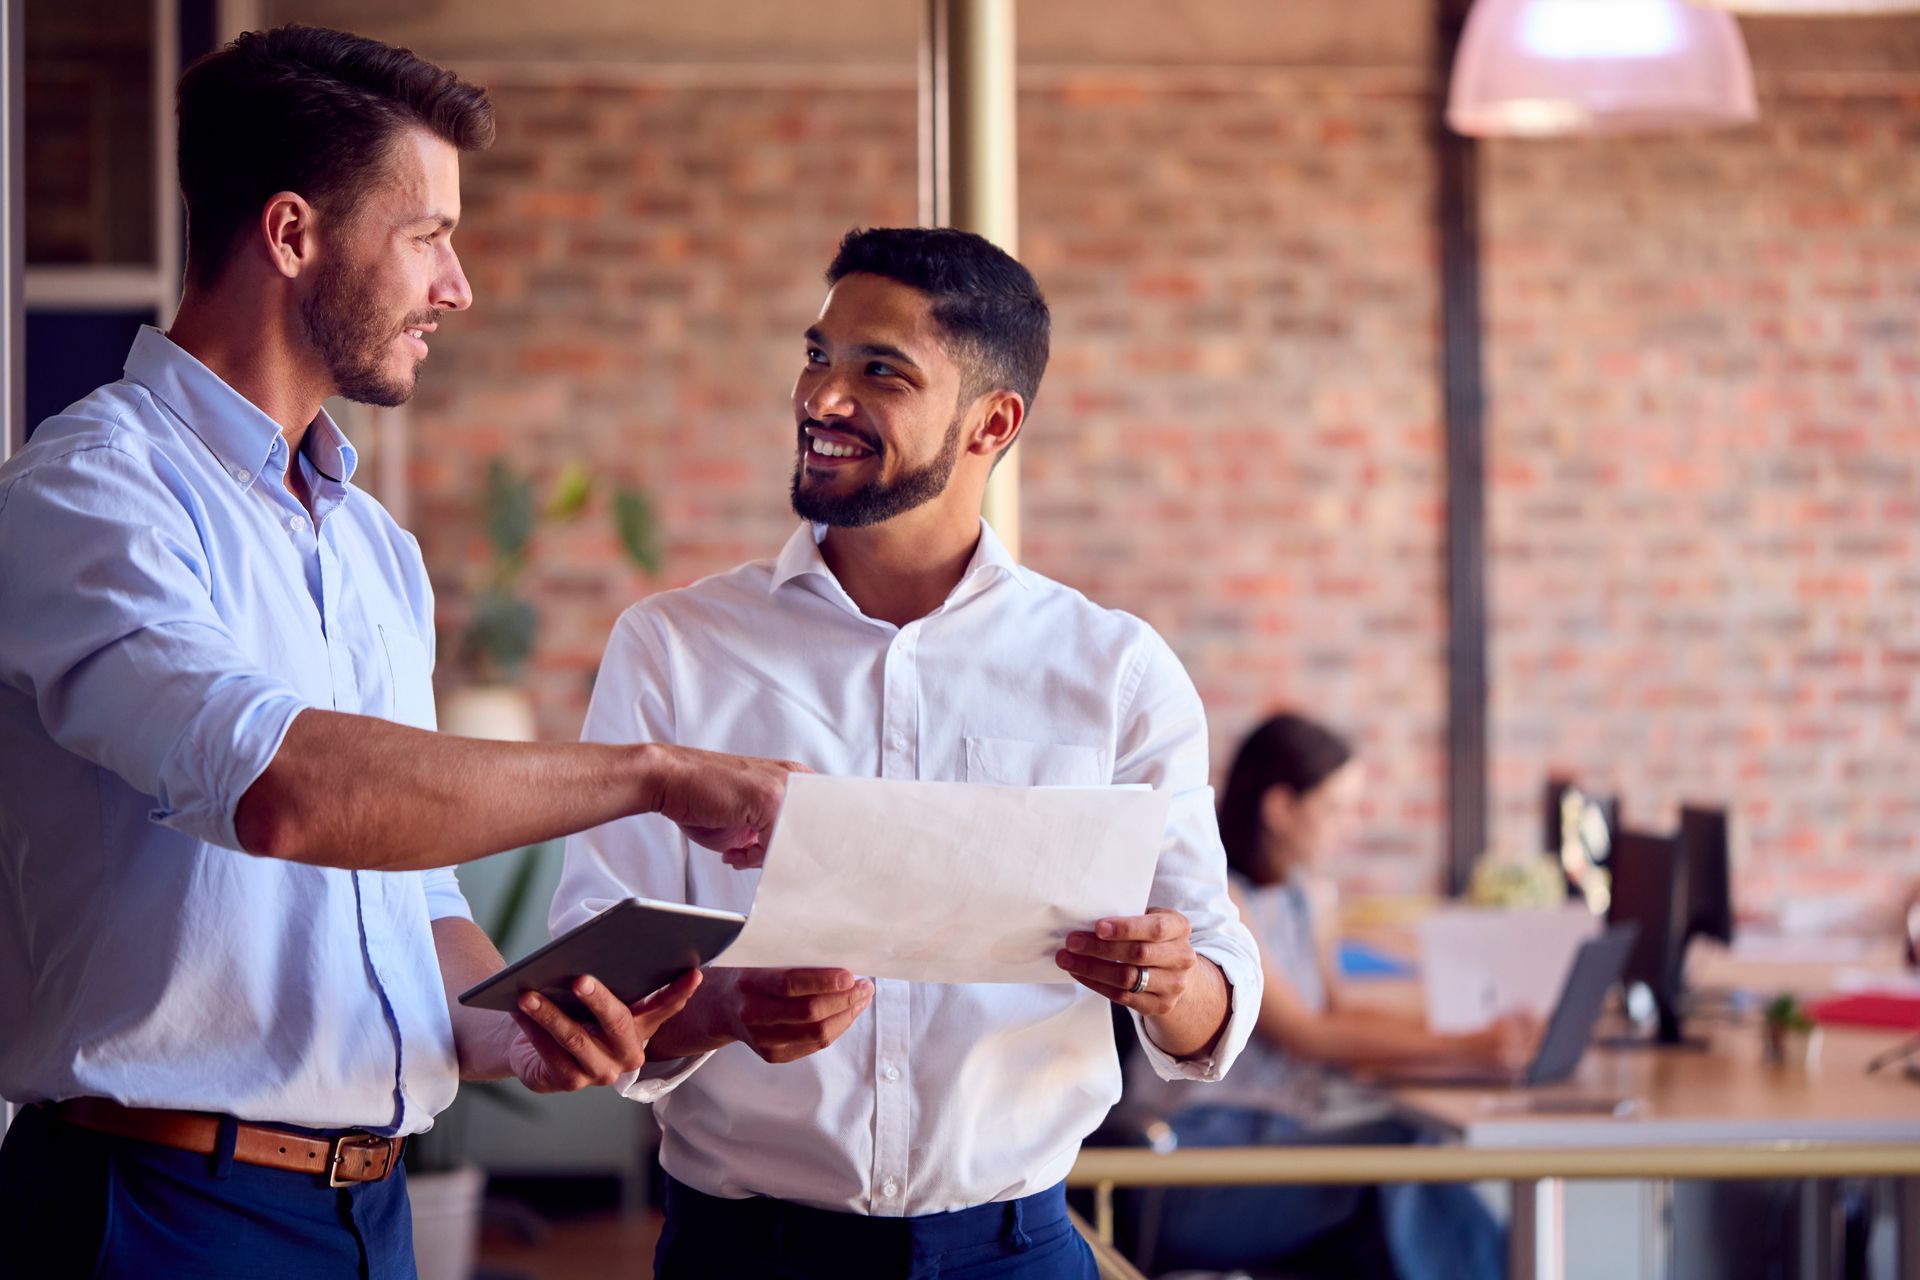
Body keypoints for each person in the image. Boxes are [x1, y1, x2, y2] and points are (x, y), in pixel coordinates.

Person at [0, 26, 797, 1278]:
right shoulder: (91, 496)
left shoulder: (375, 548)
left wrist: (532, 1032)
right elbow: (287, 790)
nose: (458, 284)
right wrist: (653, 774)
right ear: (292, 234)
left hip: (366, 1219)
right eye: (427, 234)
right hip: (153, 1211)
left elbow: (412, 910)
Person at [549, 226, 1262, 1279]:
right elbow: (589, 971)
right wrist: (723, 1010)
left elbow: (1217, 986)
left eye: (880, 371)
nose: (821, 398)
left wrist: (1166, 977)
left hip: (1015, 1250)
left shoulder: (1113, 670)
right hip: (748, 1252)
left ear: (993, 422)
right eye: (818, 354)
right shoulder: (675, 649)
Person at [1124, 711, 1532, 1280]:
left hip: (1278, 1148)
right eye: (1336, 808)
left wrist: (1476, 1027)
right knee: (1401, 1159)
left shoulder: (1307, 893)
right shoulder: (1220, 901)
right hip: (1192, 1169)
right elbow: (1305, 1034)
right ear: (1280, 808)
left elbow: (1338, 1010)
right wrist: (1467, 1047)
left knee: (1393, 1217)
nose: (1351, 828)